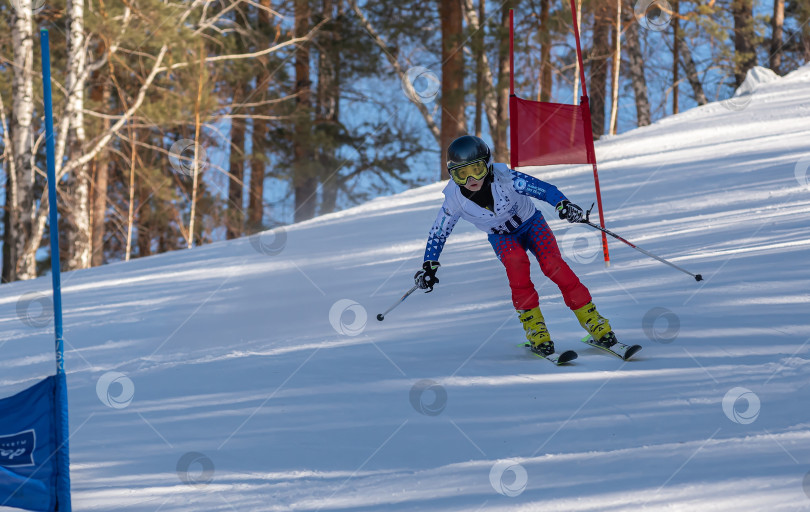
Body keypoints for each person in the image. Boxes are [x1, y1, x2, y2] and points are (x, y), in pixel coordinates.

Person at [414, 135, 614, 357]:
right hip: (502, 237)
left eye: (477, 169)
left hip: (531, 225)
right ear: (453, 175)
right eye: (462, 173)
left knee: (553, 265)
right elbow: (438, 232)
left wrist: (563, 204)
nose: (471, 178)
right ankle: (535, 330)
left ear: (488, 165)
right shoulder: (454, 200)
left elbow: (544, 189)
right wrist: (429, 264)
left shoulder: (507, 178)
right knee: (517, 266)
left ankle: (594, 322)